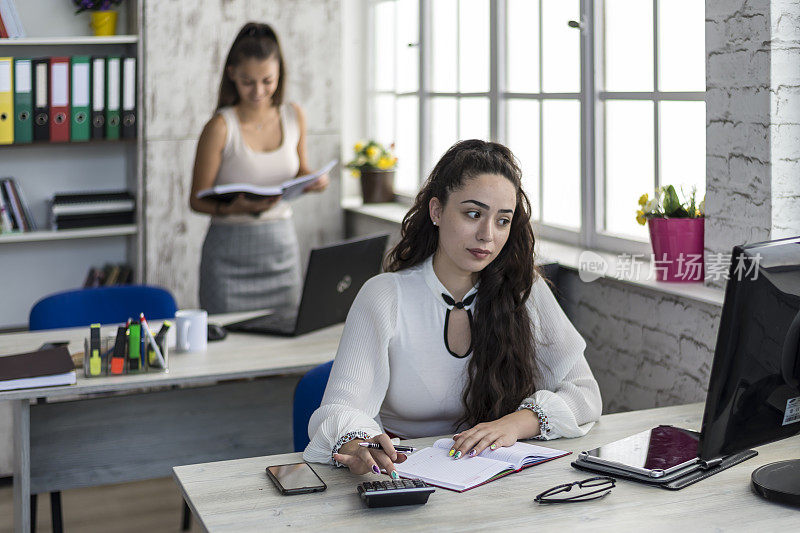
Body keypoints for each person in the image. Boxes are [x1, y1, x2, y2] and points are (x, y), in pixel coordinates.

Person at [303, 140, 601, 478]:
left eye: (502, 220)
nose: (487, 235)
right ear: (437, 211)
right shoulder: (384, 295)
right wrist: (358, 445)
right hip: (403, 477)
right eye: (473, 214)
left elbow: (586, 393)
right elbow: (338, 410)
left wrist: (514, 424)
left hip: (494, 479)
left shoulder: (524, 290)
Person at [190, 22, 329, 314]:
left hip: (281, 250)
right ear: (232, 75)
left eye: (268, 81)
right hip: (228, 254)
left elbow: (300, 168)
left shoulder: (293, 115)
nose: (258, 91)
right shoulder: (219, 126)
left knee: (284, 346)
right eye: (247, 81)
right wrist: (231, 209)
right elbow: (196, 200)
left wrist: (313, 180)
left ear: (280, 75)